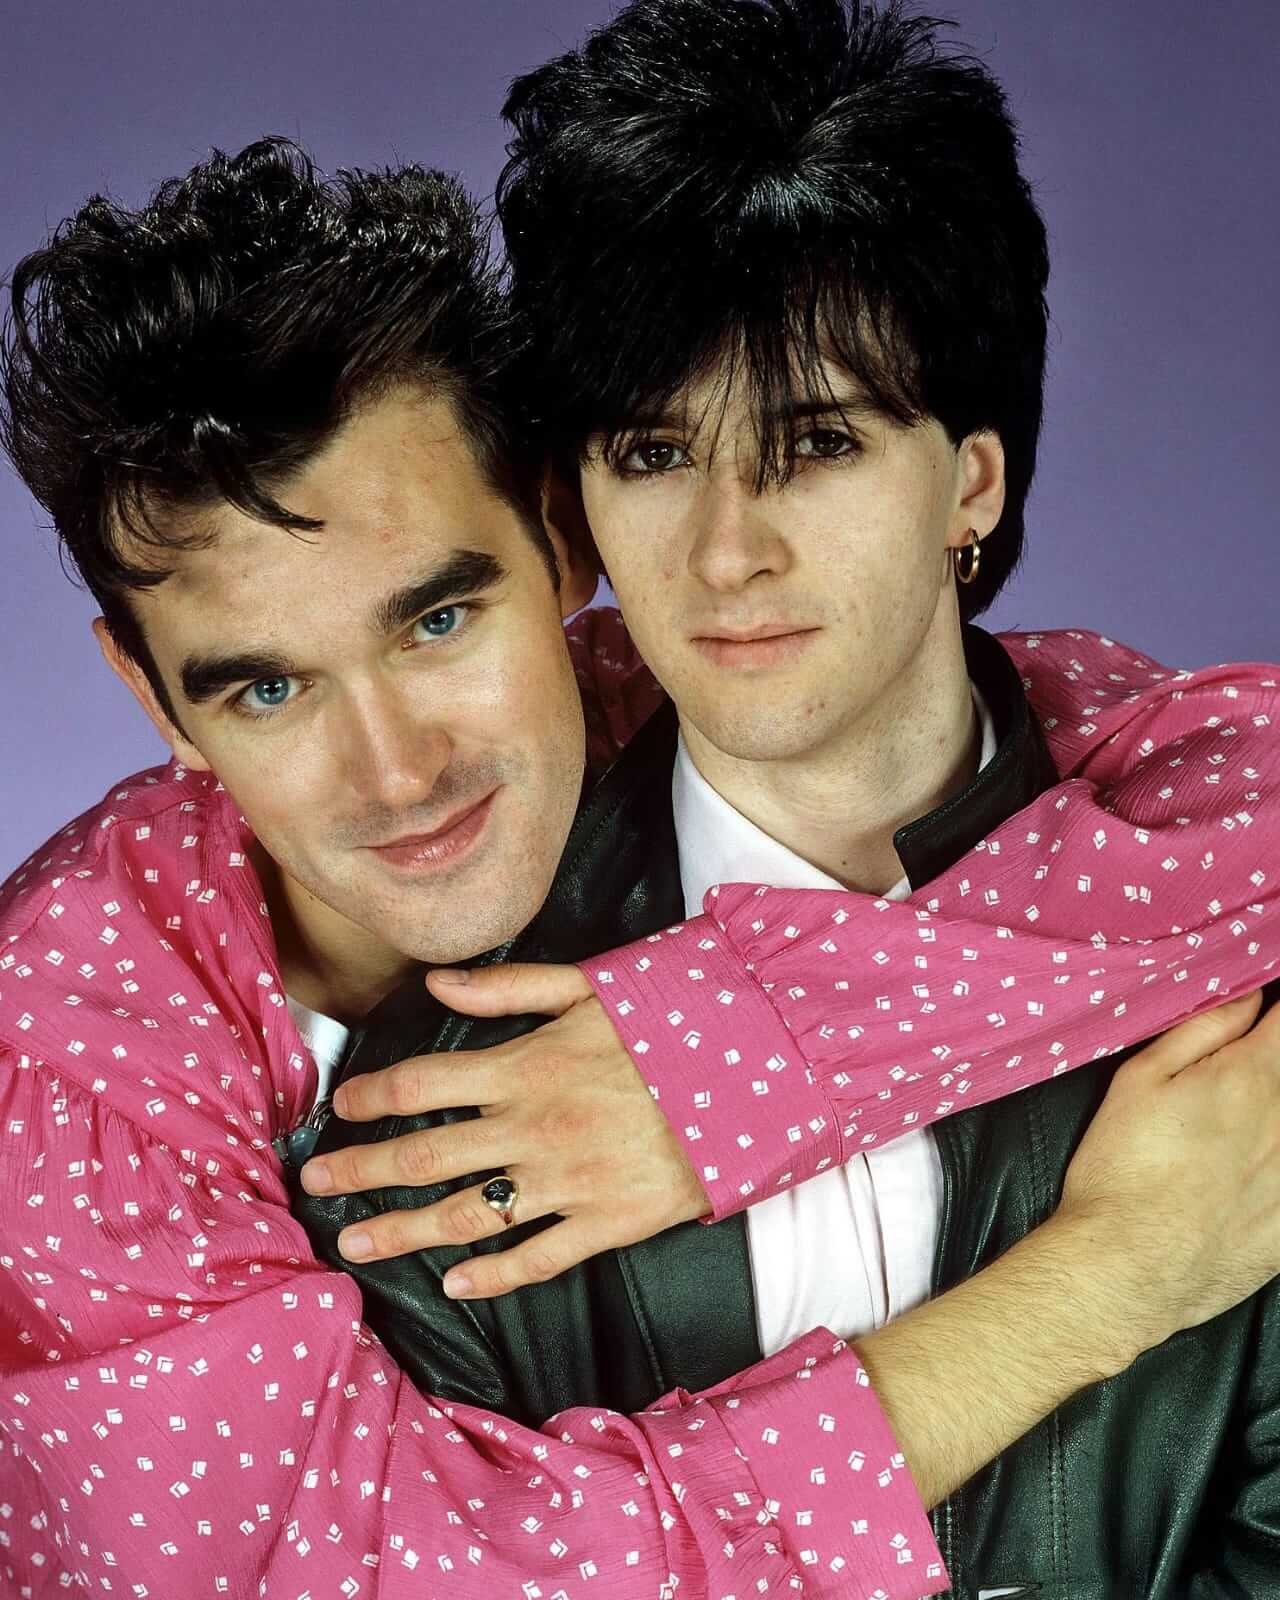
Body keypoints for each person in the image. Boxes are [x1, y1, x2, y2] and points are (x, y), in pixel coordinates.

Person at [0, 137, 1275, 1600]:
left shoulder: (667, 689)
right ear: (151, 697)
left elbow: (1245, 790)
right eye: (267, 690)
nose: (400, 771)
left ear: (563, 548)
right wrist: (1118, 1271)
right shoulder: (62, 1079)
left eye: (438, 624)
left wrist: (750, 1051)